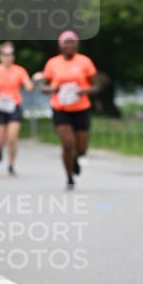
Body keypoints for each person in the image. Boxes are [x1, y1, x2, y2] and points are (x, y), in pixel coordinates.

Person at [37, 31, 98, 189]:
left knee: (82, 148)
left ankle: (77, 157)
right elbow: (44, 87)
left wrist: (82, 91)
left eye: (72, 42)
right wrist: (54, 89)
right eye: (66, 42)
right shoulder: (53, 63)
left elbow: (96, 85)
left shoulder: (85, 62)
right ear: (61, 45)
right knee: (68, 144)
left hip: (81, 108)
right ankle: (69, 175)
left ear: (77, 45)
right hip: (61, 108)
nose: (70, 45)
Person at [0, 43, 34, 176]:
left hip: (14, 106)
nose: (8, 57)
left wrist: (29, 85)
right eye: (5, 55)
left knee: (12, 138)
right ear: (0, 57)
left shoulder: (19, 70)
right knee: (0, 139)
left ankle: (11, 164)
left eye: (11, 54)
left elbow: (28, 85)